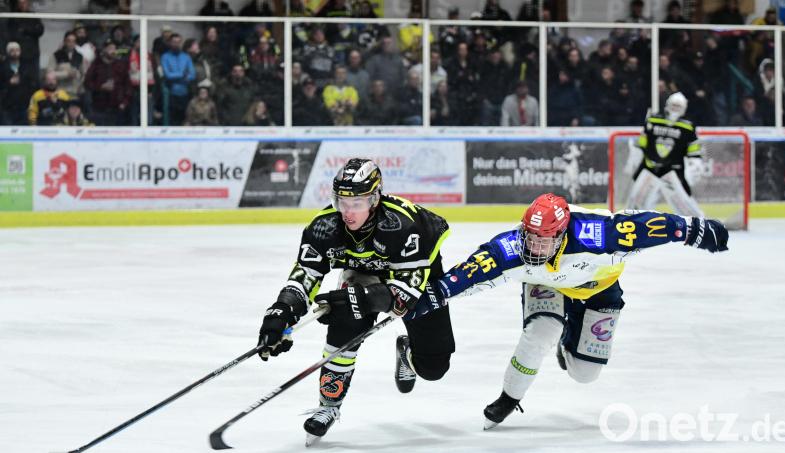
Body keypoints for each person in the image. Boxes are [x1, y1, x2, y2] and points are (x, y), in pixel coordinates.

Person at [437, 193, 729, 429]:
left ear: (562, 235)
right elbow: (472, 272)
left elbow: (646, 225)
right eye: (531, 236)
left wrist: (691, 230)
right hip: (548, 283)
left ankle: (568, 340)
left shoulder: (600, 234)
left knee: (585, 374)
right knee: (542, 331)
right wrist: (435, 293)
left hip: (599, 287)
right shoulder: (515, 244)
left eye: (544, 239)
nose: (534, 247)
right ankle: (509, 398)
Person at [256, 158, 455, 445]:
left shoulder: (405, 226)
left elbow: (405, 295)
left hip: (418, 276)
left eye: (357, 203)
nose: (347, 212)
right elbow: (305, 275)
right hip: (363, 272)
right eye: (342, 202)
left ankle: (408, 352)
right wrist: (281, 311)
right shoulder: (324, 228)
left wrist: (361, 298)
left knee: (434, 368)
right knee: (345, 320)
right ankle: (328, 407)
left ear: (374, 200)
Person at [625, 92, 705, 217]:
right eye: (673, 106)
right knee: (635, 202)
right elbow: (642, 143)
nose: (675, 109)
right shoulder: (653, 120)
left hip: (672, 171)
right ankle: (633, 226)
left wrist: (695, 164)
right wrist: (634, 158)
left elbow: (693, 151)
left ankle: (699, 226)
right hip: (649, 168)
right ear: (667, 105)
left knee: (684, 205)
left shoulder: (688, 127)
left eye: (678, 107)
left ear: (684, 109)